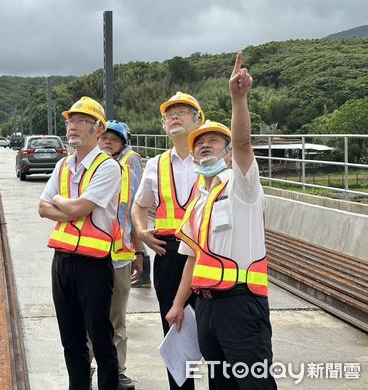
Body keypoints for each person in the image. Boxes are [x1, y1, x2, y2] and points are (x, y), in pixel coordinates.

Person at [167, 52, 277, 389]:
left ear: (227, 153)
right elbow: (191, 258)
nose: (203, 146)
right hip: (207, 308)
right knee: (220, 386)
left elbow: (244, 142)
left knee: (254, 385)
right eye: (199, 142)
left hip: (241, 306)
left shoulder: (241, 186)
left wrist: (238, 97)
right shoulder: (201, 199)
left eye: (213, 140)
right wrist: (177, 304)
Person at [38, 96, 120, 390]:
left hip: (93, 265)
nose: (73, 126)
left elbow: (72, 210)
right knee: (71, 340)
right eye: (71, 121)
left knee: (100, 340)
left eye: (81, 120)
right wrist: (68, 205)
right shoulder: (62, 165)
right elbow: (41, 208)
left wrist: (60, 200)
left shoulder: (107, 167)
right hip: (61, 262)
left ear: (98, 130)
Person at [131, 91, 205, 390]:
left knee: (212, 330)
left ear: (198, 120)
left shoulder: (212, 158)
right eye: (168, 114)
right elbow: (139, 204)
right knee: (174, 328)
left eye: (182, 111)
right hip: (168, 253)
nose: (174, 117)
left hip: (207, 255)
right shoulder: (157, 164)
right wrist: (142, 231)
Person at [95, 120, 144, 390]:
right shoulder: (85, 165)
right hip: (90, 256)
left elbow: (134, 212)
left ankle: (118, 371)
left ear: (123, 143)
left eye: (114, 139)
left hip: (120, 256)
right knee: (89, 318)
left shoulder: (129, 164)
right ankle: (88, 368)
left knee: (117, 319)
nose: (107, 142)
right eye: (104, 138)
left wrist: (139, 251)